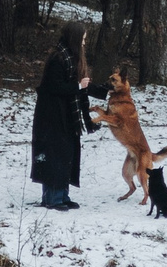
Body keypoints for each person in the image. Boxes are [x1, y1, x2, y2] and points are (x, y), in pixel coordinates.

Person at [31, 21, 110, 210]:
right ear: (74, 39)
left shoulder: (71, 58)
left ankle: (62, 195)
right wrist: (78, 87)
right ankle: (52, 198)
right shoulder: (58, 59)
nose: (84, 43)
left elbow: (82, 85)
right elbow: (54, 87)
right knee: (55, 155)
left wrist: (106, 91)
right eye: (82, 39)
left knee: (67, 154)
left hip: (65, 115)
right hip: (52, 116)